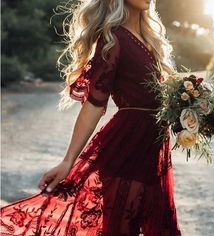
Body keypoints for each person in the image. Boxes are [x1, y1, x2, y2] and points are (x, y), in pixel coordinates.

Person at [0, 0, 182, 235]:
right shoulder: (113, 39)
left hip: (153, 151)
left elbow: (157, 99)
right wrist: (68, 161)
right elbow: (95, 104)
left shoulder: (151, 40)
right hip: (127, 148)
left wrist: (189, 111)